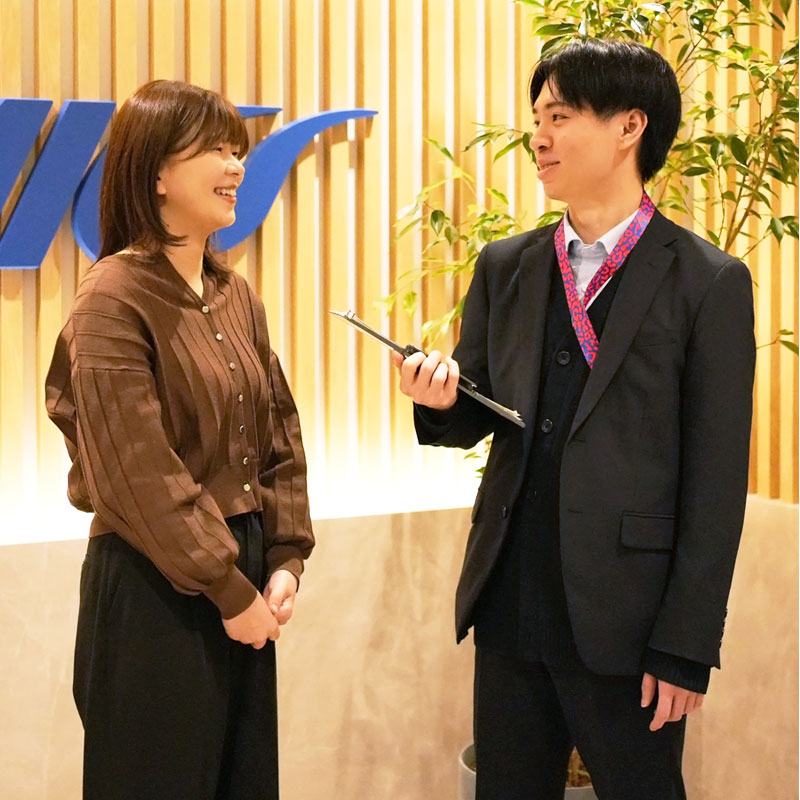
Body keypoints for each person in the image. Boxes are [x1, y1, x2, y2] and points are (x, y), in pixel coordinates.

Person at [393, 38, 755, 800]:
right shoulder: (507, 266)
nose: (539, 137)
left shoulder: (707, 282)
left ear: (629, 127)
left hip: (630, 621)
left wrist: (687, 645)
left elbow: (717, 485)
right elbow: (478, 412)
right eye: (536, 119)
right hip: (510, 601)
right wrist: (439, 399)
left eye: (559, 117)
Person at [45, 80, 313, 800]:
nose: (236, 166)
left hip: (241, 577)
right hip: (152, 592)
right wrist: (227, 588)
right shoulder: (112, 296)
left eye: (238, 150)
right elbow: (136, 472)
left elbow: (278, 433)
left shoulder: (236, 295)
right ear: (157, 172)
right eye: (215, 150)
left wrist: (285, 558)